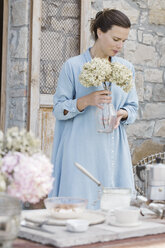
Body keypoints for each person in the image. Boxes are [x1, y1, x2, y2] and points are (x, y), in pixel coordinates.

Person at [49, 9, 138, 208]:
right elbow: (58, 109)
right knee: (78, 208)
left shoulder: (126, 68)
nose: (120, 46)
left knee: (115, 211)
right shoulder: (72, 66)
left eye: (124, 41)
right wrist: (85, 101)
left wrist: (121, 114)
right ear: (99, 32)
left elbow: (132, 107)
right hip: (80, 150)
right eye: (116, 39)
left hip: (114, 150)